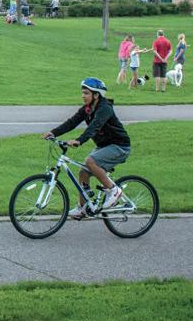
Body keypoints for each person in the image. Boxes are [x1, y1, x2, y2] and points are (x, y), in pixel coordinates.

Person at [42, 78, 130, 220]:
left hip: (119, 146)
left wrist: (79, 140)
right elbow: (72, 122)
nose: (83, 96)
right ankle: (82, 208)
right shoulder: (88, 109)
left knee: (90, 161)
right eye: (82, 93)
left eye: (86, 93)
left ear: (96, 95)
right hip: (104, 146)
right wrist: (53, 133)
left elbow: (94, 127)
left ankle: (114, 191)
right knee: (83, 172)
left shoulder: (105, 108)